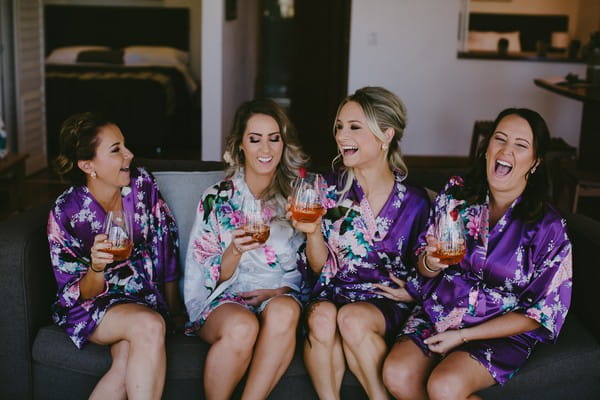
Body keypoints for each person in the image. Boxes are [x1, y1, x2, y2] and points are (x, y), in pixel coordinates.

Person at [382, 108, 573, 399]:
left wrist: (462, 336)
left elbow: (541, 314)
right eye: (500, 139)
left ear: (534, 162)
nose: (506, 150)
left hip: (499, 331)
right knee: (396, 373)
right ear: (486, 149)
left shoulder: (549, 227)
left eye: (520, 145)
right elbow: (423, 259)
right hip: (440, 312)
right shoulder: (456, 194)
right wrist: (430, 263)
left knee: (444, 386)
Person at [293, 86, 430, 400]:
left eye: (355, 127)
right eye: (339, 127)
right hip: (334, 292)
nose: (342, 136)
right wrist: (313, 232)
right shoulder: (327, 187)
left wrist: (411, 291)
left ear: (386, 135)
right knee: (323, 316)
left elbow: (432, 269)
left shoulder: (416, 203)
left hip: (381, 305)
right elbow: (317, 267)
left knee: (351, 319)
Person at [48, 112, 182, 400]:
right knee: (148, 325)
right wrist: (96, 267)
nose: (129, 155)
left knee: (125, 365)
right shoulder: (67, 212)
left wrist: (175, 308)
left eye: (125, 145)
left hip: (144, 296)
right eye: (116, 149)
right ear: (88, 165)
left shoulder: (142, 185)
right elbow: (77, 292)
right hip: (95, 303)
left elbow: (165, 243)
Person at [183, 98, 309, 400]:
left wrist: (279, 291)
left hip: (278, 292)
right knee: (242, 325)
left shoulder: (297, 199)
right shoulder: (216, 198)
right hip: (225, 297)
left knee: (285, 311)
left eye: (273, 138)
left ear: (283, 142)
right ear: (240, 144)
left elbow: (309, 267)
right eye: (255, 139)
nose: (265, 150)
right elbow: (202, 273)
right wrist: (235, 251)